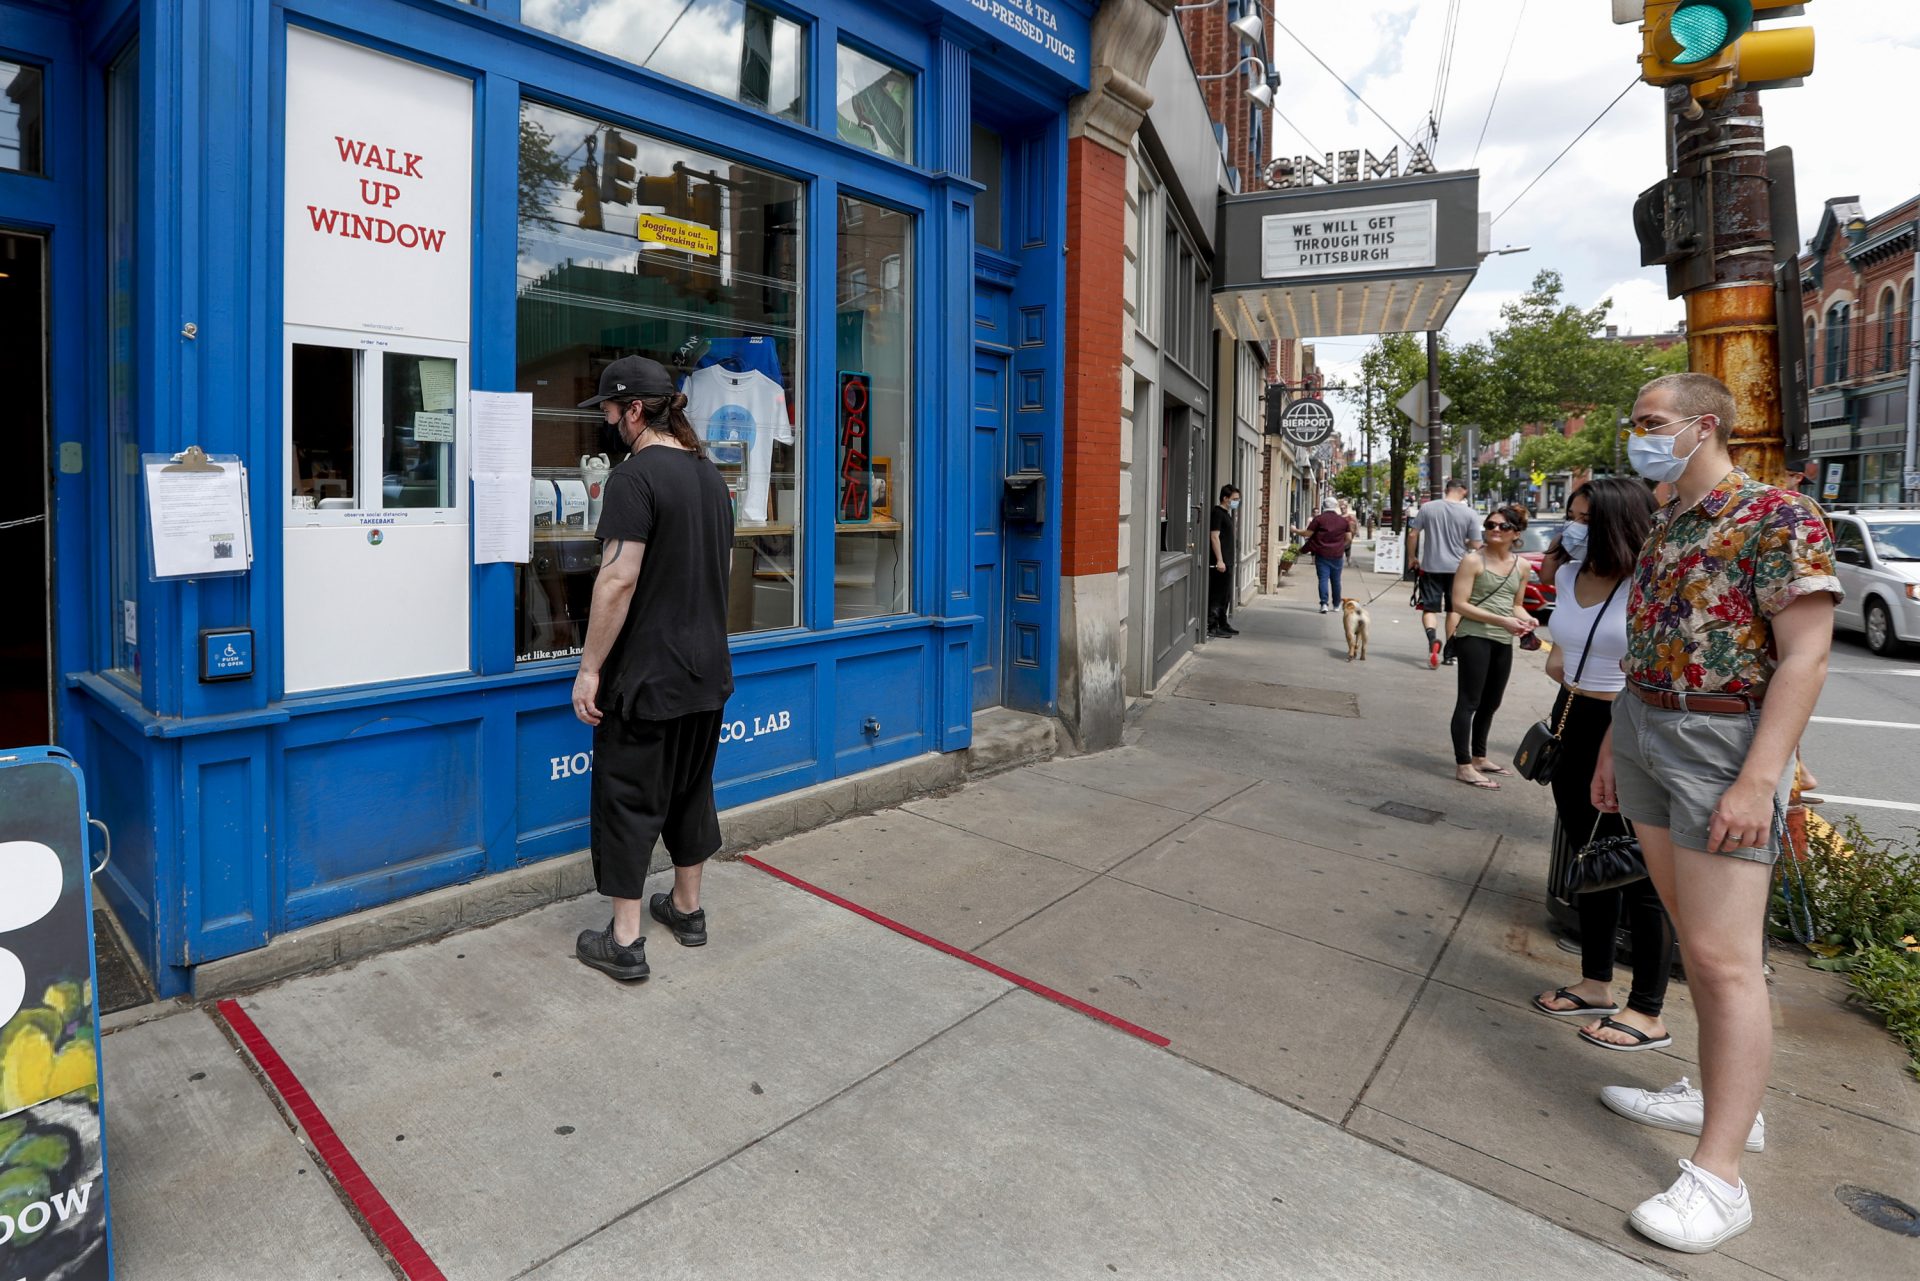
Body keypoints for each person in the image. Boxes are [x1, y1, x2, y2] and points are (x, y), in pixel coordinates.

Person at [1594, 372, 1840, 1254]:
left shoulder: (1778, 515)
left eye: (1651, 421)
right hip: (1648, 727)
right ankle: (1719, 1098)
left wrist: (1758, 777)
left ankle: (1720, 1175)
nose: (1638, 433)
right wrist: (1612, 743)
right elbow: (1651, 633)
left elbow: (1805, 655)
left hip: (1721, 745)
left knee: (1725, 958)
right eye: (1636, 421)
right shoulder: (1667, 519)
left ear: (1705, 425)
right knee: (1696, 937)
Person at [570, 355, 737, 981]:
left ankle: (626, 939)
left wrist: (589, 670)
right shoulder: (710, 477)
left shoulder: (634, 478)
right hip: (706, 670)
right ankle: (688, 910)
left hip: (647, 676)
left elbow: (618, 578)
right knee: (691, 790)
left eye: (611, 410)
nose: (609, 422)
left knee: (628, 798)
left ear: (634, 410)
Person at [1530, 479, 1675, 1053]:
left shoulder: (1650, 585)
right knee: (1590, 855)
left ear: (1619, 523)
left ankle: (1647, 1010)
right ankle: (1595, 983)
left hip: (1628, 728)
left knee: (1638, 867)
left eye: (1588, 518)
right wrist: (1563, 668)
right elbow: (1562, 654)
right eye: (1573, 517)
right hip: (1571, 717)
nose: (1575, 528)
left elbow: (1644, 673)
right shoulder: (1569, 576)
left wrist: (1614, 748)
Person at [1447, 504, 1535, 788]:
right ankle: (1463, 764)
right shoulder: (1473, 560)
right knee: (1469, 701)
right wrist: (1504, 620)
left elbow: (1517, 605)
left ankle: (1479, 757)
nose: (1494, 530)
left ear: (1516, 533)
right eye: (1490, 525)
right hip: (1474, 635)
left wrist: (1527, 619)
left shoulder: (1521, 566)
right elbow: (1459, 604)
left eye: (1502, 526)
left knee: (1491, 702)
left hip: (1502, 638)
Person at [1408, 479, 1482, 668]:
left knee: (1429, 608)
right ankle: (1450, 653)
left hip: (1431, 566)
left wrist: (1411, 558)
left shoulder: (1428, 508)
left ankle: (1432, 639)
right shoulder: (1470, 513)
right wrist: (1465, 542)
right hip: (1459, 569)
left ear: (1445, 490)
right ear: (1464, 491)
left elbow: (1413, 534)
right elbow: (1476, 544)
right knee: (1454, 609)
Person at [1294, 499, 1353, 614]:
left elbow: (1308, 534)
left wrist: (1295, 530)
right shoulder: (1343, 521)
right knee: (1336, 581)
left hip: (1322, 554)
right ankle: (1336, 605)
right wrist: (1340, 546)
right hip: (1337, 555)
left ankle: (1324, 604)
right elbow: (1349, 538)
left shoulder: (1319, 519)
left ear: (1323, 506)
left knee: (1323, 579)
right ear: (1335, 506)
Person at [1208, 485, 1240, 638]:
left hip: (1228, 561)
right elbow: (1214, 537)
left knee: (1225, 594)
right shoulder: (1218, 513)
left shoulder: (1227, 514)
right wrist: (1220, 560)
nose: (1236, 502)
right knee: (1217, 594)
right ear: (1225, 498)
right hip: (1221, 562)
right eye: (1234, 499)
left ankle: (1223, 622)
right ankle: (1212, 626)